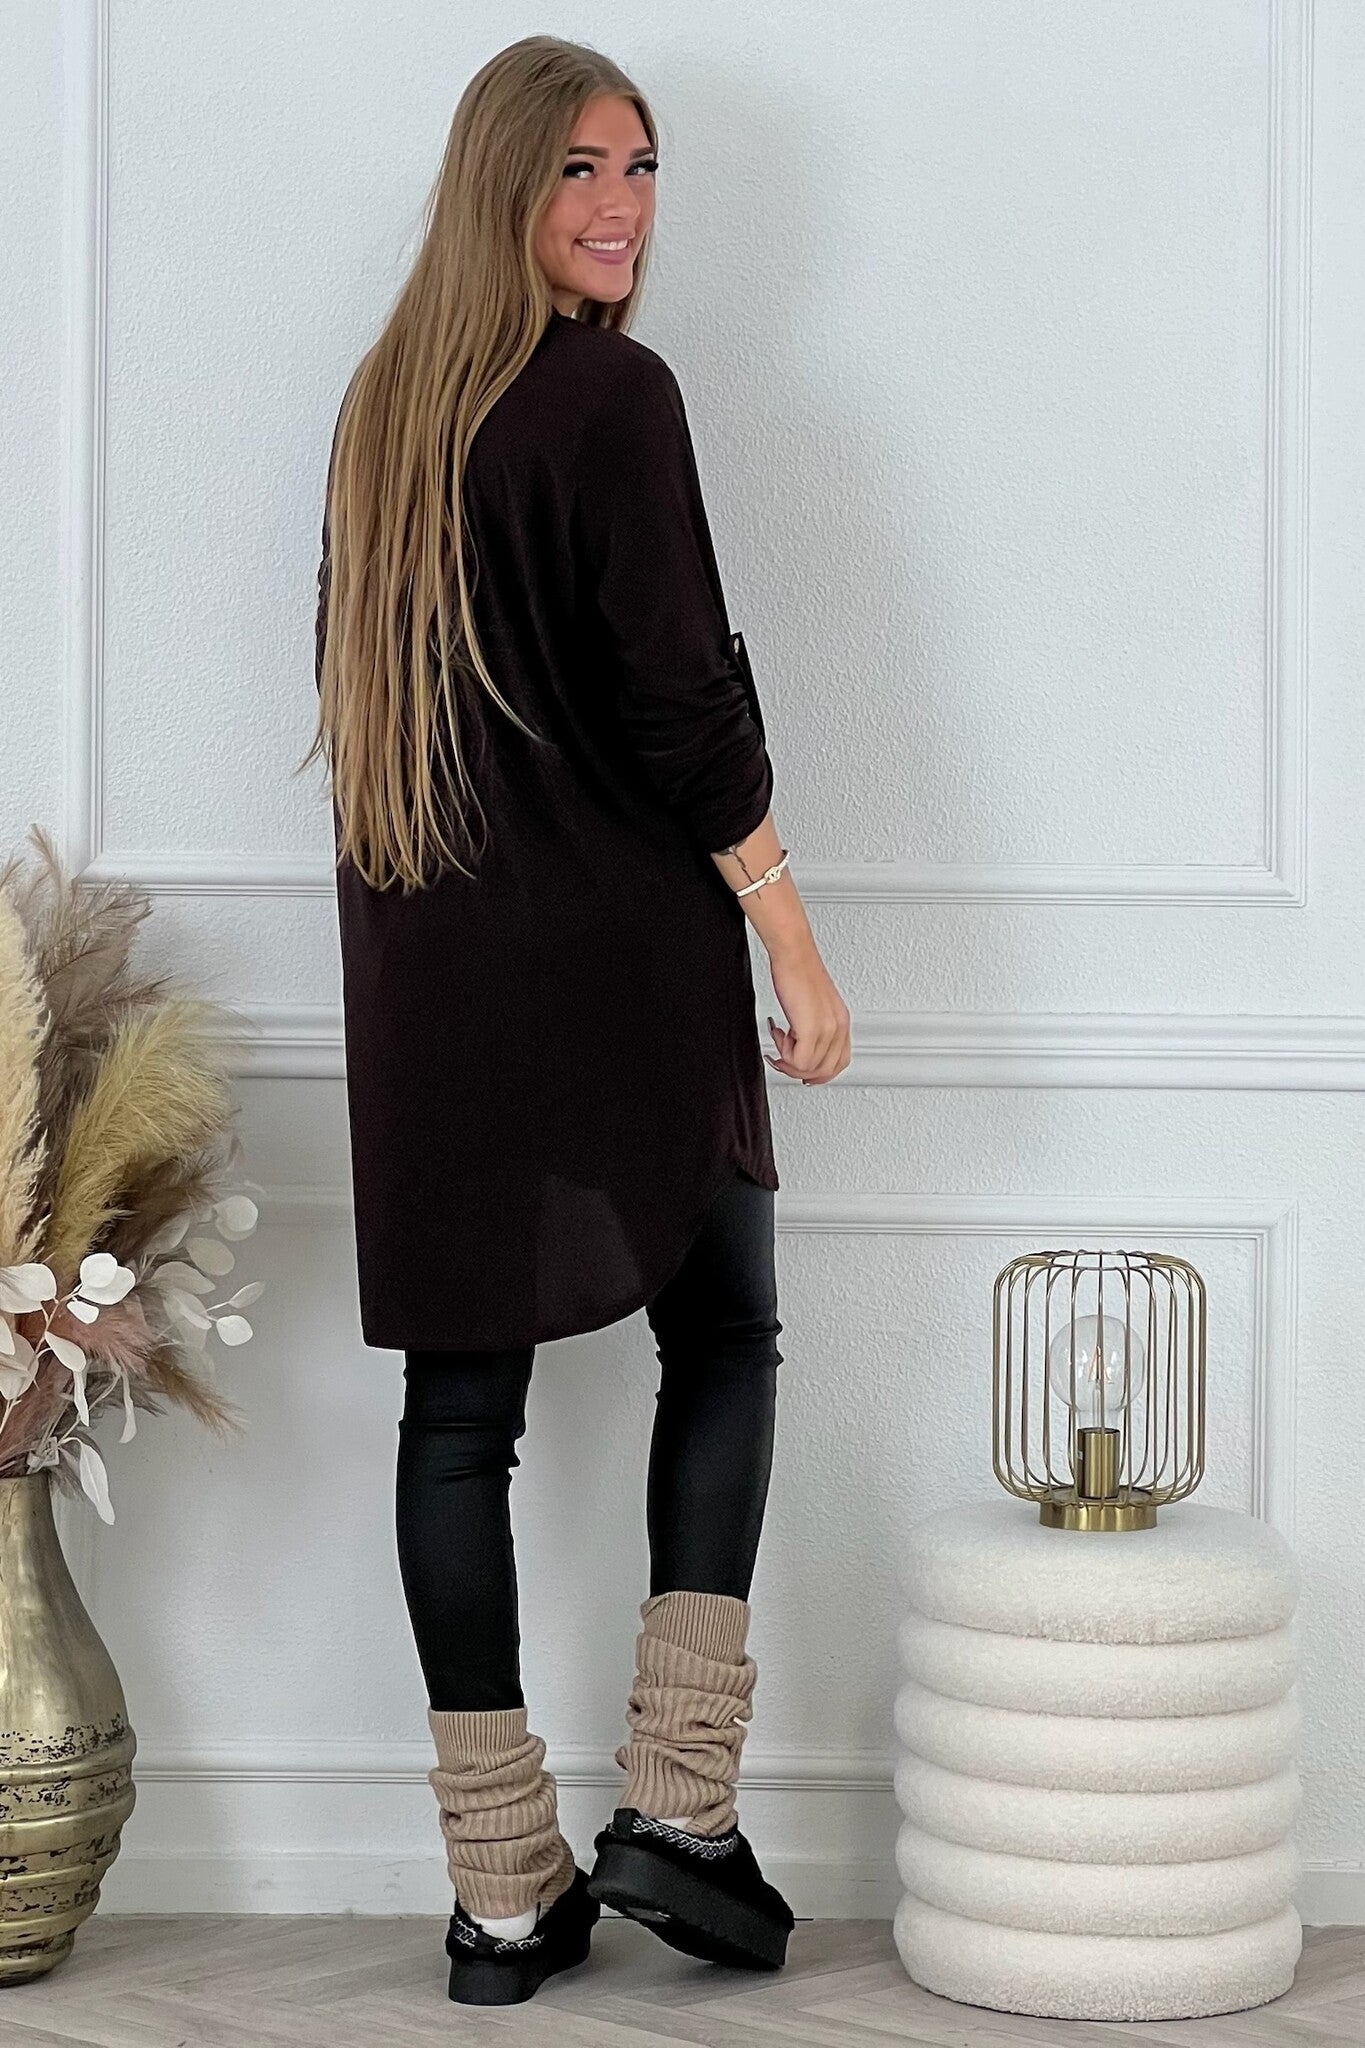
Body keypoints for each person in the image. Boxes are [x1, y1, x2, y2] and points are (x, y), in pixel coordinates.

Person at [303, 34, 850, 2007]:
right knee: (726, 1334)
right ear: (502, 188)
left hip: (435, 1000)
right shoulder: (614, 396)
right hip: (622, 974)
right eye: (576, 170)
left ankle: (499, 1898)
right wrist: (789, 936)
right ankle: (676, 1810)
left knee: (457, 1423)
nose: (617, 206)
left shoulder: (385, 410)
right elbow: (682, 699)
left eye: (638, 166)